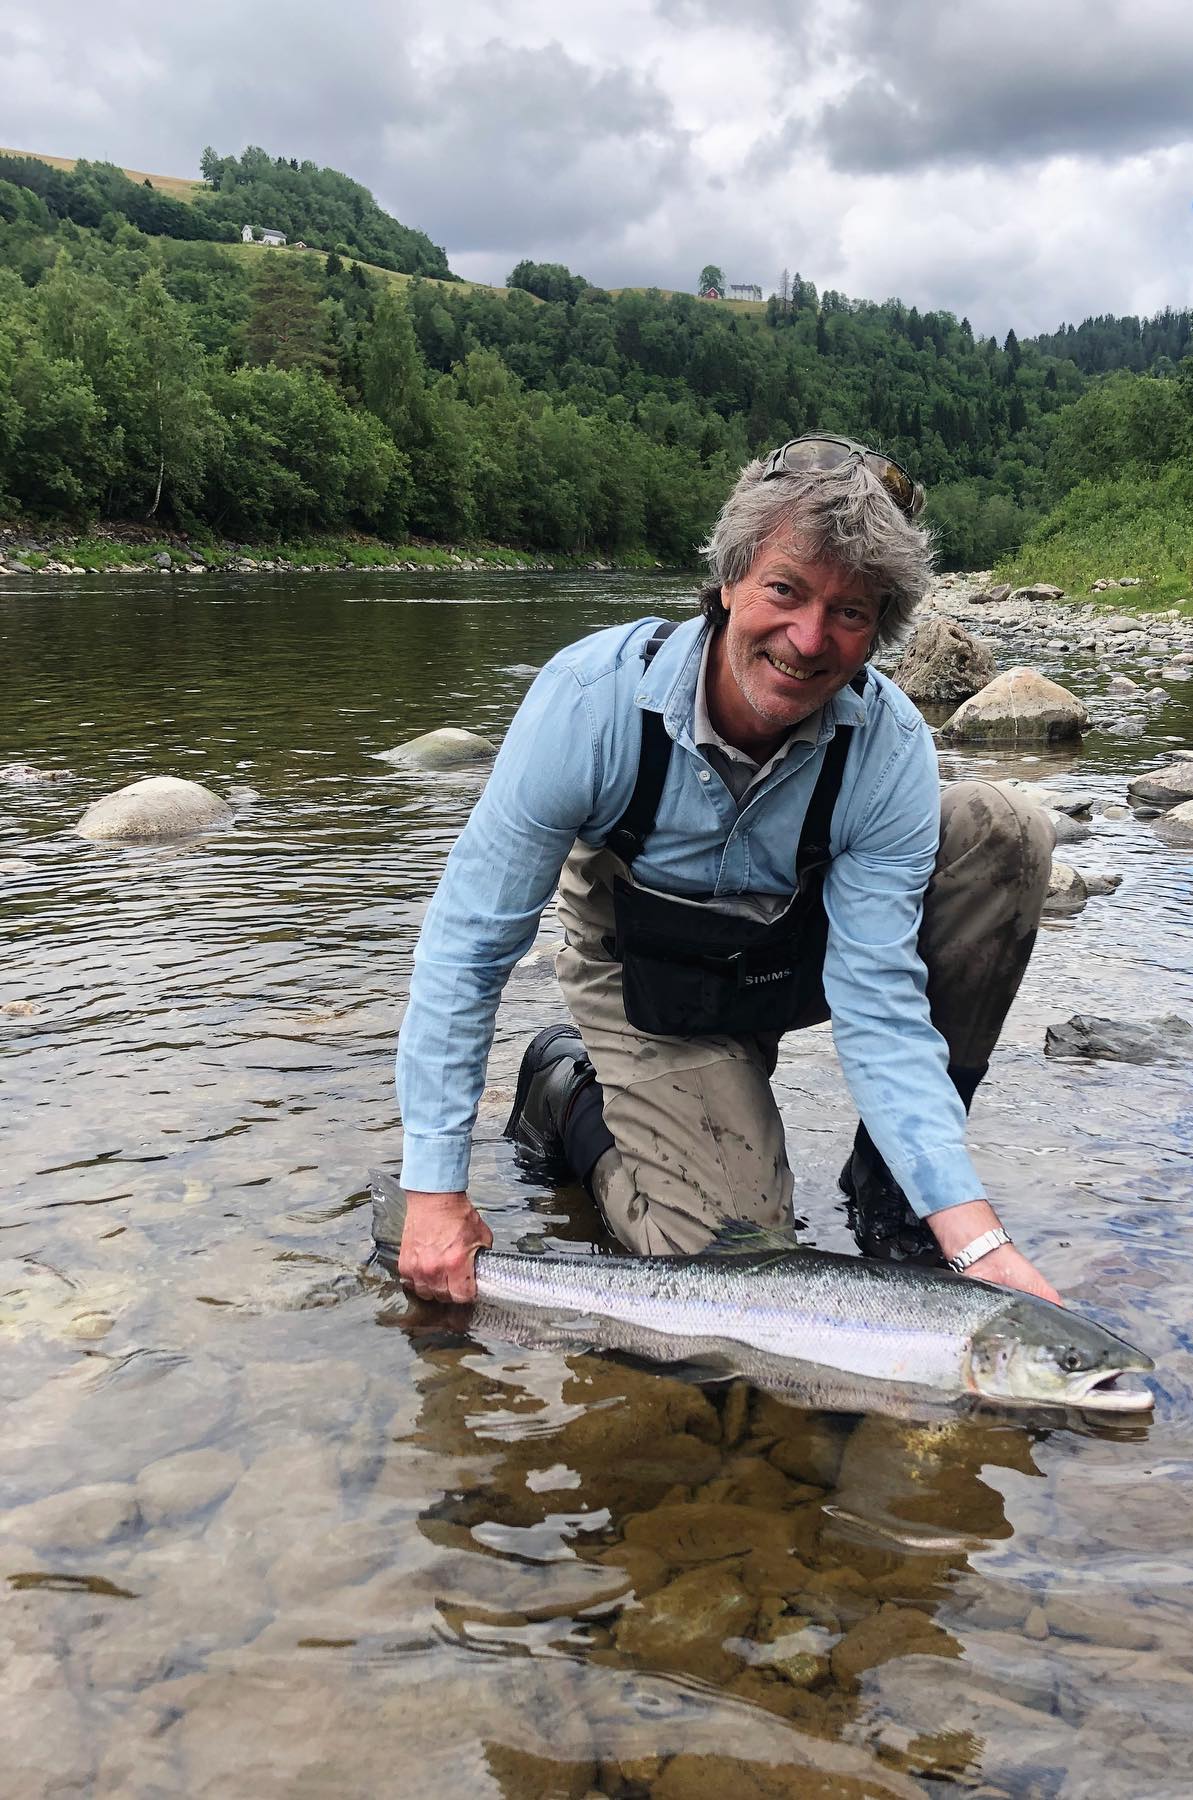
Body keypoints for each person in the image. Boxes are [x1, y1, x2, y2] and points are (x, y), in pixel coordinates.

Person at [395, 435, 1059, 1306]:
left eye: (851, 612)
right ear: (728, 581)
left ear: (879, 633)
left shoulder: (888, 745)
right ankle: (574, 1098)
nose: (809, 638)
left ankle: (898, 1195)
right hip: (645, 971)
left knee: (1001, 828)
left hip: (795, 950)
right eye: (785, 590)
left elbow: (878, 999)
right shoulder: (589, 702)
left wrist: (975, 1240)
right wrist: (434, 1193)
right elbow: (469, 947)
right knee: (734, 1269)